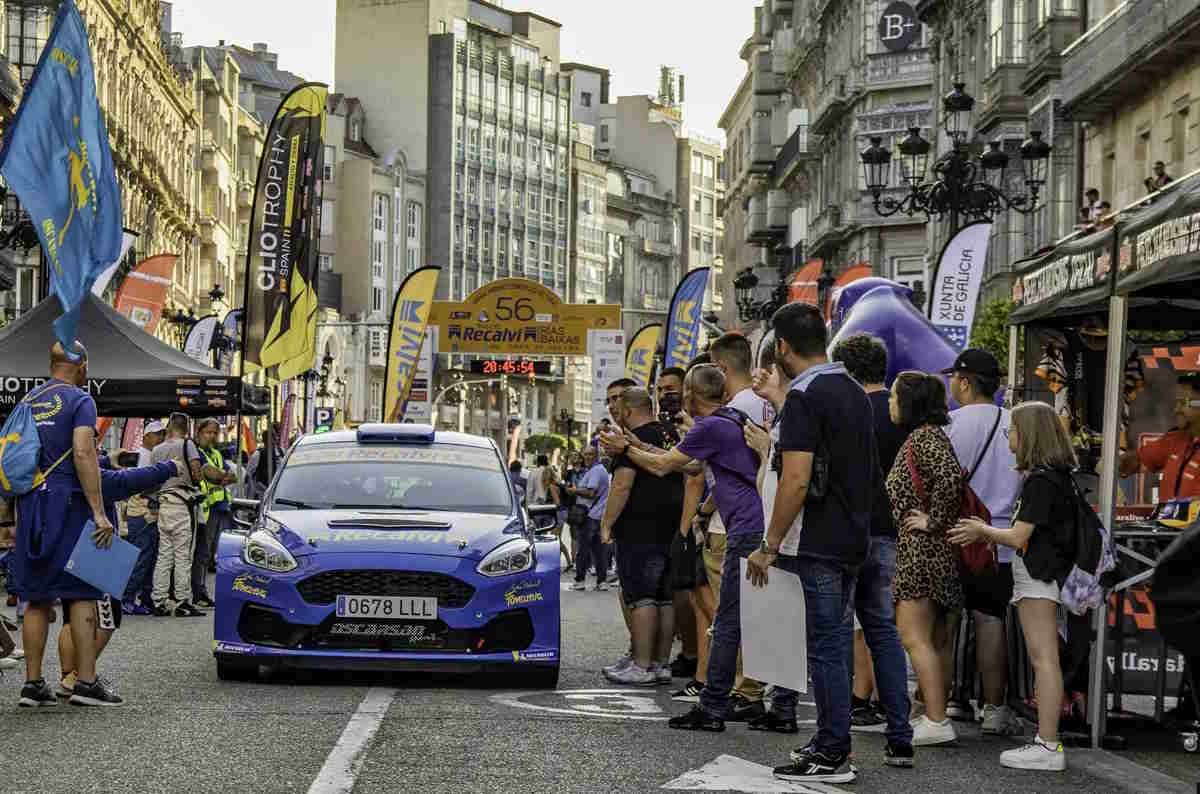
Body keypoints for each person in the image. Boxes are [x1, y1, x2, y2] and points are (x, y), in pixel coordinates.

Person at [743, 303, 875, 784]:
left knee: (825, 650)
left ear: (781, 346)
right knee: (834, 647)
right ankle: (830, 742)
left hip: (817, 541)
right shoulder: (853, 390)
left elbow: (796, 479)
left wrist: (769, 543)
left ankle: (833, 751)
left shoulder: (805, 396)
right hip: (850, 538)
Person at [950, 401, 1077, 772]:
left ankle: (1048, 743)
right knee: (1044, 658)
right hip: (1042, 574)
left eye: (1015, 431)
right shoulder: (1055, 476)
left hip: (1038, 577)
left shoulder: (1040, 480)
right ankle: (1047, 741)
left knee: (1044, 659)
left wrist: (981, 530)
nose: (1011, 439)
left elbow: (1020, 534)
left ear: (1030, 435)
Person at [816, 333, 915, 754]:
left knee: (836, 634)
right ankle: (900, 735)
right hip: (889, 530)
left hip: (846, 531)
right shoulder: (899, 414)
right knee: (883, 631)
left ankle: (836, 740)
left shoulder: (846, 408)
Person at [13, 342, 122, 708]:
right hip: (68, 504)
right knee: (82, 592)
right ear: (82, 365)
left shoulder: (28, 399)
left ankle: (32, 684)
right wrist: (99, 511)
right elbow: (82, 451)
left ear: (51, 363)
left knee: (37, 596)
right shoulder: (80, 400)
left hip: (30, 504)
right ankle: (86, 683)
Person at [678, 334, 772, 717]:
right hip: (746, 520)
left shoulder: (735, 409)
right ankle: (744, 696)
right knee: (745, 612)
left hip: (739, 526)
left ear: (720, 369)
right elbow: (733, 470)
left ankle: (729, 697)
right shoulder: (751, 407)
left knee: (730, 614)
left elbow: (674, 464)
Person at [943, 349, 1022, 735]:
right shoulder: (1016, 424)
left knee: (944, 622)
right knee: (991, 622)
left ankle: (939, 707)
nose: (951, 386)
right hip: (1004, 541)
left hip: (956, 537)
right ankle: (994, 709)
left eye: (954, 379)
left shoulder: (950, 426)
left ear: (966, 381)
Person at [57, 452, 181, 698]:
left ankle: (68, 676)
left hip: (69, 542)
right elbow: (123, 482)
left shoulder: (59, 465)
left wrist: (104, 460)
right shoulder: (88, 471)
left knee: (70, 617)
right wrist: (169, 467)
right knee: (109, 617)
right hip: (95, 546)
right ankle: (79, 677)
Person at [885, 372, 964, 747]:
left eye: (894, 397)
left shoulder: (922, 438)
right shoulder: (931, 436)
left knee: (914, 636)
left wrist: (933, 520)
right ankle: (935, 713)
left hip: (921, 551)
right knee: (932, 639)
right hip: (933, 549)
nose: (890, 403)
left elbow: (951, 478)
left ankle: (935, 718)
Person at [596, 387, 686, 686]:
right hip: (671, 526)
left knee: (641, 597)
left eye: (618, 406)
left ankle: (641, 665)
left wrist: (607, 524)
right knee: (663, 598)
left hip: (639, 528)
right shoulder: (671, 433)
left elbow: (622, 485)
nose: (614, 411)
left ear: (630, 409)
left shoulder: (629, 442)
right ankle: (660, 664)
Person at [150, 413, 220, 618]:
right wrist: (197, 482)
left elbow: (152, 477)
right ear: (187, 428)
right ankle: (182, 601)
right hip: (182, 504)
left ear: (170, 427)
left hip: (164, 504)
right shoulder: (188, 445)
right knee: (182, 555)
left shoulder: (157, 449)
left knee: (163, 555)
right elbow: (197, 471)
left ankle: (159, 600)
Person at [656, 365, 700, 682]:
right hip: (670, 517)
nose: (664, 395)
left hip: (694, 518)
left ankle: (695, 655)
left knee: (689, 592)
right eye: (659, 391)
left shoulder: (695, 424)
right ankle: (688, 651)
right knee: (678, 590)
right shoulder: (662, 425)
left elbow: (689, 468)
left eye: (670, 389)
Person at [1119, 371, 1200, 500]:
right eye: (1177, 403)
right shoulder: (1175, 440)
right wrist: (1104, 466)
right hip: (1165, 520)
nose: (1176, 410)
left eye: (1184, 403)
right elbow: (1134, 461)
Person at [122, 420, 165, 615]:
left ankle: (144, 597)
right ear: (146, 436)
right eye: (157, 434)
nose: (160, 438)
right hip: (140, 513)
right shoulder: (140, 457)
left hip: (150, 514)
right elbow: (136, 486)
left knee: (149, 558)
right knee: (139, 558)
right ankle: (127, 598)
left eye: (162, 434)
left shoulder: (154, 455)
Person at [193, 419, 237, 608]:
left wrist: (220, 477)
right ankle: (198, 592)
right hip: (206, 507)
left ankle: (200, 590)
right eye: (208, 432)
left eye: (214, 433)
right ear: (199, 432)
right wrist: (220, 477)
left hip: (220, 507)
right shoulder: (196, 452)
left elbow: (232, 475)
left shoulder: (216, 453)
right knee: (202, 552)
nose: (211, 436)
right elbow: (213, 474)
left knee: (210, 552)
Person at [566, 447, 609, 592]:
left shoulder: (596, 471)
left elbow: (591, 493)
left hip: (589, 517)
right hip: (598, 516)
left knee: (583, 550)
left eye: (591, 454)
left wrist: (574, 490)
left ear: (596, 456)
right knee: (599, 552)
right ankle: (601, 582)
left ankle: (580, 581)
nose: (587, 457)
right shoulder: (598, 470)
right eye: (585, 454)